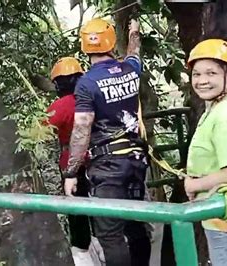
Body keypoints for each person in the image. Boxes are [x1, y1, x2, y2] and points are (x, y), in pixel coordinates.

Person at [62, 18, 151, 266]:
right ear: (111, 42)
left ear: (84, 47)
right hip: (136, 161)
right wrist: (134, 33)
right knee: (135, 226)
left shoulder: (87, 84)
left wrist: (72, 172)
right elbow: (134, 54)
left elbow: (81, 131)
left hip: (108, 166)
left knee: (110, 234)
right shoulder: (130, 69)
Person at [184, 39, 227, 266]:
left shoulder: (226, 117)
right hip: (218, 209)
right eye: (197, 74)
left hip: (226, 212)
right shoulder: (214, 108)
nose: (202, 81)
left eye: (211, 73)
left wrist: (194, 185)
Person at [45, 57, 93, 265]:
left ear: (58, 83)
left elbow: (43, 131)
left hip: (73, 166)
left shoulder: (58, 107)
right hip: (101, 160)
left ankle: (82, 253)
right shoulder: (92, 98)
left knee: (78, 214)